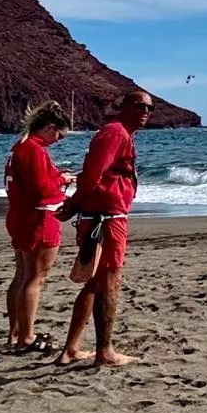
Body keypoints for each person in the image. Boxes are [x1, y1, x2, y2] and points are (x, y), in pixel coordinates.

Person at [55, 89, 153, 368]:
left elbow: (92, 175)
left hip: (103, 216)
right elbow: (91, 176)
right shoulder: (115, 133)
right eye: (139, 106)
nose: (145, 112)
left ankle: (71, 349)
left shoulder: (120, 135)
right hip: (105, 220)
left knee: (95, 283)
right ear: (123, 107)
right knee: (109, 282)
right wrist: (74, 205)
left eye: (149, 107)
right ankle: (105, 351)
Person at [4, 101, 75, 352]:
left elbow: (33, 183)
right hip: (38, 218)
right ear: (48, 128)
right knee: (35, 278)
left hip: (20, 216)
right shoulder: (33, 150)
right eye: (59, 134)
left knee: (22, 276)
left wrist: (56, 176)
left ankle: (16, 333)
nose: (58, 140)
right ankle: (27, 337)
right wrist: (62, 180)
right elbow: (42, 190)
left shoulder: (19, 148)